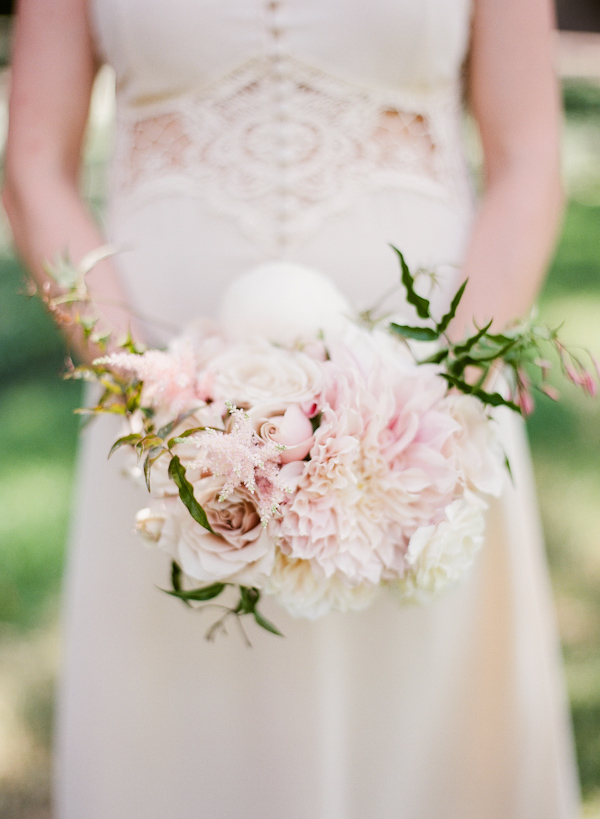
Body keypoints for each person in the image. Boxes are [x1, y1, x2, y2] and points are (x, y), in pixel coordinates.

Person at [3, 0, 581, 817]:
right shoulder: (155, 405)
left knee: (421, 725)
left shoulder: (435, 406)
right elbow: (33, 166)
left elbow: (528, 160)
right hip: (164, 423)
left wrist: (444, 393)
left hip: (424, 417)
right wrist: (145, 384)